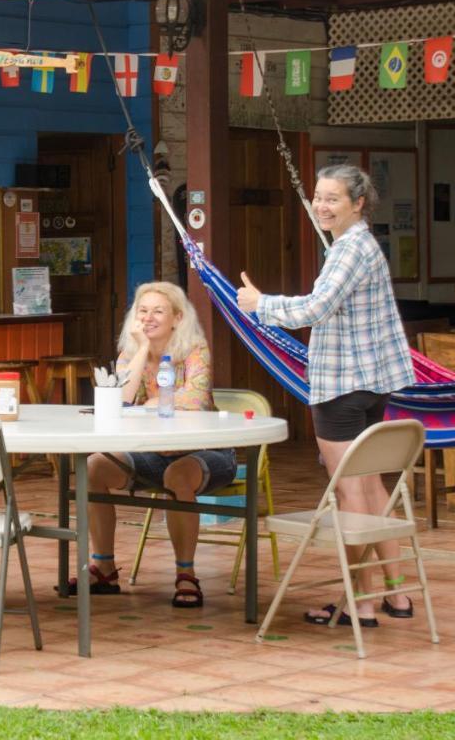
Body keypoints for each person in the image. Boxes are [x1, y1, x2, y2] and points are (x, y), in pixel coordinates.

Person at [236, 164, 416, 628]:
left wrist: (262, 305)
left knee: (350, 488)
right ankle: (396, 593)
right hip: (370, 383)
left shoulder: (348, 249)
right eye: (318, 197)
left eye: (333, 198)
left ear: (358, 204)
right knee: (372, 485)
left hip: (341, 386)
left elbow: (316, 307)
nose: (321, 205)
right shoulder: (358, 245)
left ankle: (360, 601)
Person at [74, 281, 236, 609]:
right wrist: (142, 350)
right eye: (142, 310)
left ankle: (186, 575)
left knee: (177, 475)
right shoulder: (130, 354)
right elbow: (119, 399)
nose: (148, 317)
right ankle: (104, 568)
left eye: (158, 311)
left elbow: (196, 399)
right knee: (95, 466)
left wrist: (149, 403)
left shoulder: (195, 349)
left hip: (206, 452)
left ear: (176, 317)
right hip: (152, 453)